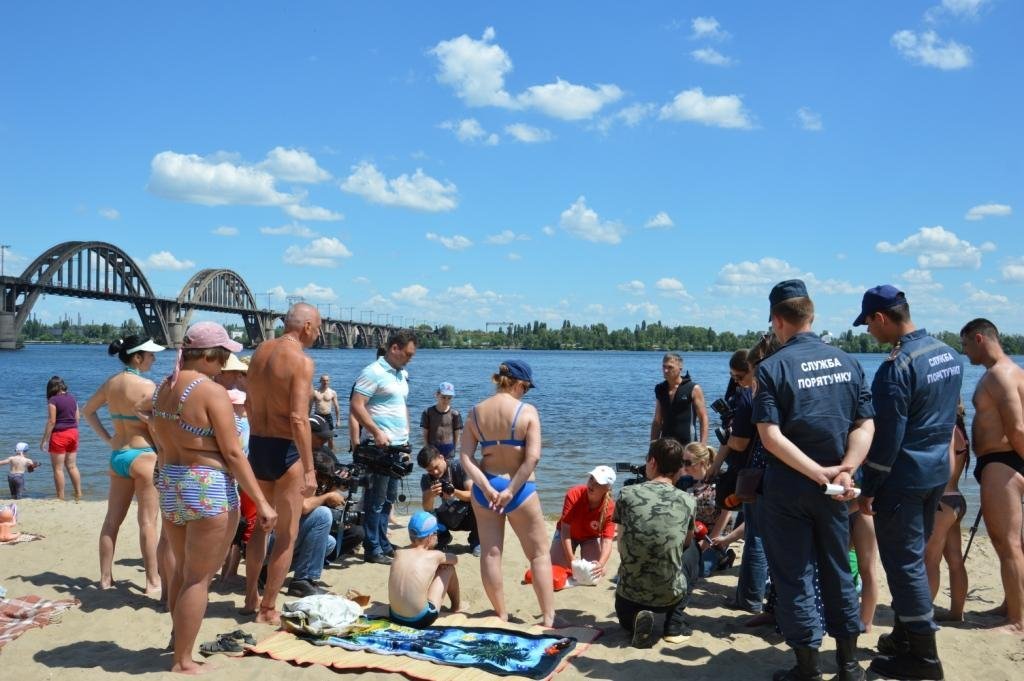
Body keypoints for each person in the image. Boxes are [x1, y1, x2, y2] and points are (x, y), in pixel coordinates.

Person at [754, 279, 874, 681]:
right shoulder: (849, 362)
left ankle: (807, 668)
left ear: (777, 321)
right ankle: (849, 665)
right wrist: (846, 468)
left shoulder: (771, 368)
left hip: (791, 487)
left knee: (795, 575)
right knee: (839, 570)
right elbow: (865, 423)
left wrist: (817, 472)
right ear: (811, 315)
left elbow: (770, 436)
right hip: (837, 489)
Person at [149, 321, 276, 674]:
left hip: (171, 481)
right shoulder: (211, 392)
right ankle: (183, 661)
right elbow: (234, 454)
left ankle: (179, 639)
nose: (224, 365)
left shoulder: (164, 388)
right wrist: (262, 503)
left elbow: (158, 437)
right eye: (221, 357)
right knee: (197, 578)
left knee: (180, 572)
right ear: (206, 355)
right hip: (206, 486)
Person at [852, 285, 961, 680]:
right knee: (914, 555)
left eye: (868, 323)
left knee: (904, 565)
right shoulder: (948, 352)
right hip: (936, 473)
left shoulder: (895, 368)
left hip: (904, 477)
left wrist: (870, 487)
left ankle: (925, 659)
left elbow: (888, 438)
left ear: (882, 317)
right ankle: (902, 636)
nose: (868, 331)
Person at [460, 360, 556, 627]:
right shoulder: (527, 412)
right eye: (526, 388)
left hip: (486, 487)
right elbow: (533, 457)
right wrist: (511, 490)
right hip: (519, 488)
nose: (526, 393)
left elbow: (465, 457)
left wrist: (486, 486)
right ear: (518, 384)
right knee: (538, 554)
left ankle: (500, 613)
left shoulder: (476, 412)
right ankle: (548, 618)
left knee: (491, 554)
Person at [244, 302, 320, 623]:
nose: (317, 334)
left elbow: (248, 403)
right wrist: (310, 468)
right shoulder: (301, 361)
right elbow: (298, 419)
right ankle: (268, 608)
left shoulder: (260, 351)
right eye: (317, 328)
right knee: (287, 534)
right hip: (286, 450)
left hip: (258, 445)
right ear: (305, 327)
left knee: (261, 528)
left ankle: (251, 596)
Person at [81, 335, 167, 594]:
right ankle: (152, 581)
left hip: (118, 454)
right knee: (148, 522)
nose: (154, 358)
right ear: (137, 357)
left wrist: (108, 438)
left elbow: (87, 411)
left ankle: (105, 579)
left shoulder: (111, 383)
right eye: (150, 355)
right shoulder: (148, 386)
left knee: (111, 521)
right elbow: (159, 426)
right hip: (143, 456)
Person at [960, 317, 1024, 634]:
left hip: (1003, 462)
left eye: (965, 344)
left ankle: (1017, 621)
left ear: (980, 339)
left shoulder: (1000, 375)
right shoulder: (1012, 371)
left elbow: (1017, 427)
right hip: (1002, 462)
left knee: (1006, 541)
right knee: (1009, 543)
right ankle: (1011, 606)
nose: (965, 352)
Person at [613, 437, 699, 648]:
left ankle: (634, 623)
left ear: (652, 463)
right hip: (668, 598)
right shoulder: (688, 501)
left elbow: (621, 541)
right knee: (694, 548)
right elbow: (686, 543)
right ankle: (673, 625)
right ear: (680, 468)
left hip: (627, 598)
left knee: (634, 548)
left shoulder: (626, 493)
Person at [349, 330, 418, 565]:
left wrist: (407, 435)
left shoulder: (401, 374)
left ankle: (384, 543)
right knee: (375, 500)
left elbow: (401, 406)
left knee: (388, 499)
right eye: (407, 354)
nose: (410, 358)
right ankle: (372, 548)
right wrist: (376, 432)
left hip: (399, 446)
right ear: (394, 348)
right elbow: (356, 405)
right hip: (380, 447)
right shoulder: (373, 372)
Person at [924, 401, 970, 623]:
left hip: (942, 502)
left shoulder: (948, 430)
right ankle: (956, 612)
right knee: (955, 560)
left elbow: (943, 468)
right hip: (957, 499)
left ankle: (924, 613)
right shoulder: (961, 430)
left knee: (930, 560)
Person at [388, 511, 461, 628]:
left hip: (394, 615)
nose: (437, 536)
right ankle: (456, 607)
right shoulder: (435, 555)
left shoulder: (399, 553)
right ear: (429, 537)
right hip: (419, 619)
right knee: (449, 569)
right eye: (436, 533)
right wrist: (440, 561)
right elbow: (455, 559)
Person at [681, 443, 740, 576]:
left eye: (687, 463)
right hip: (695, 532)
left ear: (701, 462)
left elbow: (726, 513)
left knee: (700, 572)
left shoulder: (720, 481)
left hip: (716, 536)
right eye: (682, 462)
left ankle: (723, 558)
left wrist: (708, 542)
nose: (684, 467)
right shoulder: (687, 482)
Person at [549, 465, 617, 579]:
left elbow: (607, 541)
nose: (592, 485)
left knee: (595, 573)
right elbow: (565, 529)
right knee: (557, 569)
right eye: (591, 479)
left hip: (589, 538)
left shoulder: (610, 507)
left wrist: (601, 563)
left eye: (598, 483)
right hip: (565, 534)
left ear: (607, 488)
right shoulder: (574, 494)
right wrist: (571, 558)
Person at [419, 445, 479, 555]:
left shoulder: (459, 466)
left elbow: (473, 495)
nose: (435, 472)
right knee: (425, 517)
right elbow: (427, 508)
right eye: (430, 470)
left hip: (469, 513)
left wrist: (454, 492)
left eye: (436, 467)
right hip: (448, 515)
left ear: (441, 457)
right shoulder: (427, 479)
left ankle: (476, 541)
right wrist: (431, 495)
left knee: (481, 504)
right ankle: (443, 537)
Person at [651, 352, 709, 446]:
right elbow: (657, 421)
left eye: (670, 367)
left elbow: (703, 418)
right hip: (665, 445)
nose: (665, 370)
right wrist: (652, 446)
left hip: (688, 445)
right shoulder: (660, 388)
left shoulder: (693, 388)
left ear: (680, 368)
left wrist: (703, 445)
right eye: (664, 367)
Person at [39, 375, 82, 501]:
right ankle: (79, 494)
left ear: (51, 387)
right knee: (72, 466)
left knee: (58, 468)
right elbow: (77, 418)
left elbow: (52, 421)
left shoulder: (53, 400)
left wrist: (44, 440)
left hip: (59, 435)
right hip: (73, 433)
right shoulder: (73, 398)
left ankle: (61, 496)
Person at [421, 382, 463, 460]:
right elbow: (425, 434)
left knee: (448, 469)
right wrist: (426, 447)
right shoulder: (428, 412)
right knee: (434, 469)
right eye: (443, 397)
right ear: (437, 395)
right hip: (433, 447)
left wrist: (455, 447)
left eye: (449, 398)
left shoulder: (455, 414)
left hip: (449, 447)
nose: (446, 400)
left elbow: (457, 434)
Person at [311, 374, 340, 451]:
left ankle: (331, 453)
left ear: (329, 381)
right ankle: (317, 452)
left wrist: (338, 420)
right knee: (316, 436)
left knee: (330, 437)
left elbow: (336, 406)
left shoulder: (332, 392)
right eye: (323, 380)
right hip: (317, 416)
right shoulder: (315, 392)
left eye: (327, 380)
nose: (325, 382)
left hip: (328, 416)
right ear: (320, 381)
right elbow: (309, 406)